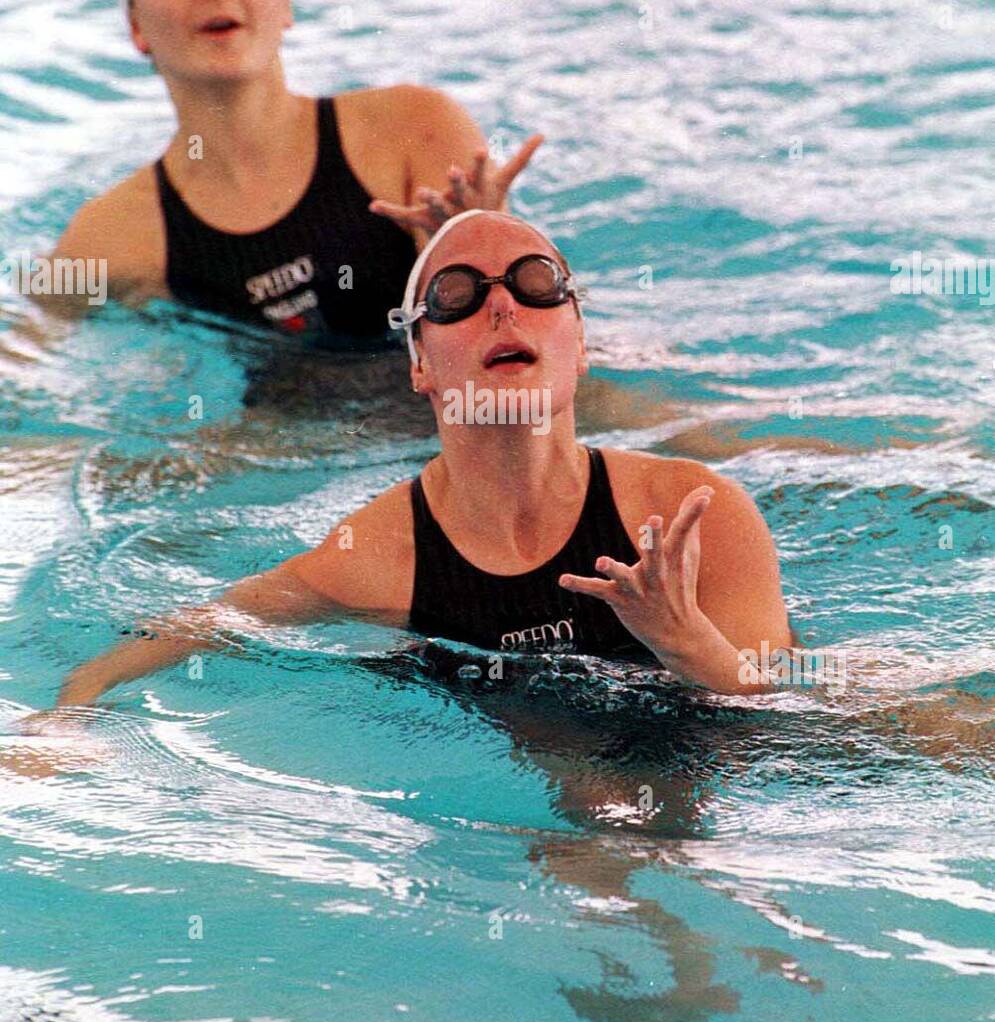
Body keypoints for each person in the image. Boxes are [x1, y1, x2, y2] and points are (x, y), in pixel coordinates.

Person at [45, 208, 800, 710]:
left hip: (731, 764)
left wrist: (681, 639)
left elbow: (781, 702)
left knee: (919, 718)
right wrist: (66, 715)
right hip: (532, 760)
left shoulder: (690, 510)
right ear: (419, 365)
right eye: (456, 296)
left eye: (537, 284)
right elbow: (203, 624)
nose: (502, 307)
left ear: (579, 338)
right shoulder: (381, 556)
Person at [39, 0, 542, 340]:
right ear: (134, 24)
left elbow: (527, 347)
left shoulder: (413, 129)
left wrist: (488, 254)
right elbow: (26, 366)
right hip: (269, 435)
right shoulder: (113, 237)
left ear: (287, 0)